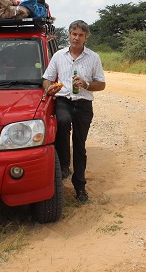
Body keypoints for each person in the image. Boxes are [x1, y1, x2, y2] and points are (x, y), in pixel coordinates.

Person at [43, 20, 106, 202]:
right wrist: (49, 88)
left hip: (83, 104)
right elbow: (46, 79)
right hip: (63, 100)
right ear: (69, 35)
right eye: (74, 34)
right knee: (62, 122)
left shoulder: (93, 58)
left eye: (80, 35)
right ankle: (63, 165)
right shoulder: (58, 56)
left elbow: (101, 84)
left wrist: (86, 84)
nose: (76, 38)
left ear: (86, 38)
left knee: (80, 146)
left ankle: (80, 186)